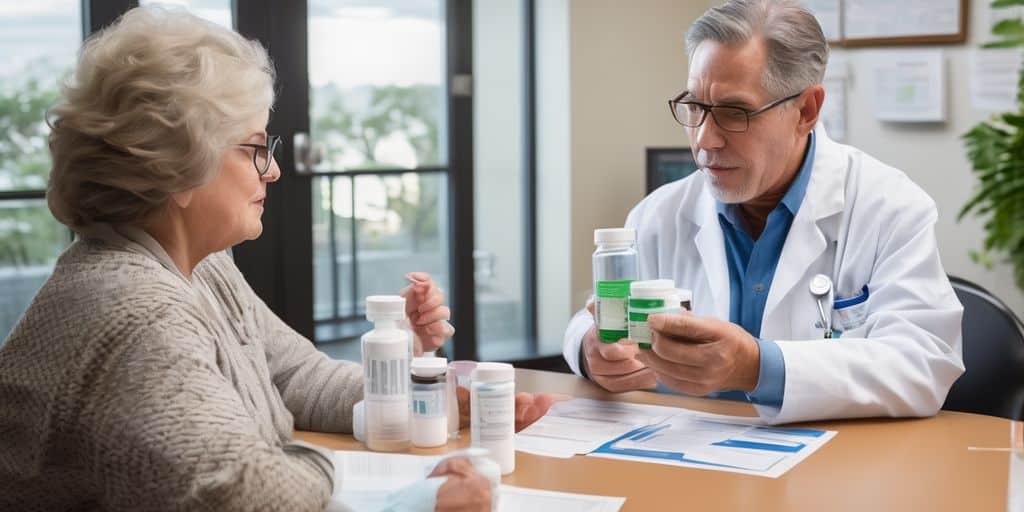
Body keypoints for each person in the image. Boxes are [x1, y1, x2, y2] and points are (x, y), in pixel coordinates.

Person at [0, 6, 552, 511]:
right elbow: (247, 493)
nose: (273, 171)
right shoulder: (134, 313)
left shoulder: (200, 268)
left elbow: (293, 374)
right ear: (178, 165)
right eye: (256, 148)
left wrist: (425, 394)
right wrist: (402, 496)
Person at [563, 0, 964, 424]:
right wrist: (590, 350)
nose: (705, 140)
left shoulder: (890, 207)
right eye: (695, 107)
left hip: (831, 467)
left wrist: (756, 367)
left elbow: (923, 362)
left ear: (806, 111)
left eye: (735, 113)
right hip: (684, 458)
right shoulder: (660, 214)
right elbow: (596, 317)